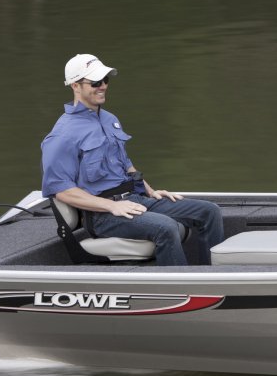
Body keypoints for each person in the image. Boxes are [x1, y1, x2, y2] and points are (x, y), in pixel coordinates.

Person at [41, 53, 224, 266]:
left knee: (209, 212)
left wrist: (150, 191)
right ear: (75, 86)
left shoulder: (109, 119)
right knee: (165, 227)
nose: (103, 87)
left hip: (134, 199)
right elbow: (61, 190)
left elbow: (126, 164)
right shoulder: (62, 135)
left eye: (106, 80)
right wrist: (111, 207)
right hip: (101, 214)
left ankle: (209, 278)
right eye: (96, 82)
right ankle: (179, 290)